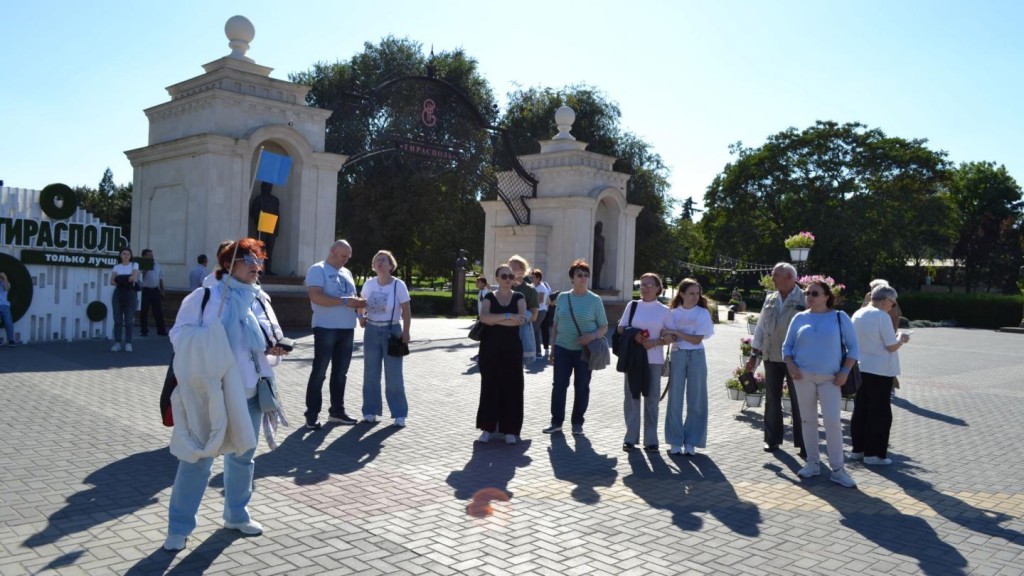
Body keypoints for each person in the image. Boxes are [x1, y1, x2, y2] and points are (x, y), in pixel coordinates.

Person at [163, 238, 290, 551]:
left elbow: (269, 340)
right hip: (213, 392)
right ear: (228, 264)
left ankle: (236, 514)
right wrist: (212, 339)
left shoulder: (260, 299)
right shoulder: (205, 296)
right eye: (248, 260)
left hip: (250, 389)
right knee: (197, 458)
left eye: (257, 260)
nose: (255, 267)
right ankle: (179, 527)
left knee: (243, 457)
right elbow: (178, 336)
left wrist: (274, 349)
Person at [782, 278, 860, 488]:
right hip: (802, 377)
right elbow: (786, 347)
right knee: (807, 420)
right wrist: (791, 365)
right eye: (807, 293)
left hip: (831, 379)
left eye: (814, 293)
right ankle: (812, 463)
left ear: (827, 296)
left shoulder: (839, 317)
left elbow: (853, 348)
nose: (809, 297)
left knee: (833, 422)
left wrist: (845, 371)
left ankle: (837, 469)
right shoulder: (798, 318)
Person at [303, 240, 367, 429]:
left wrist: (359, 309)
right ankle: (312, 413)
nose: (346, 260)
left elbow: (351, 299)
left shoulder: (346, 273)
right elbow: (316, 296)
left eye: (348, 257)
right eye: (343, 255)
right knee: (320, 372)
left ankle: (337, 411)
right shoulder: (318, 269)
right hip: (325, 327)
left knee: (341, 373)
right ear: (333, 250)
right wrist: (345, 301)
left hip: (347, 328)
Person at [545, 259, 608, 436]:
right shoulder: (563, 297)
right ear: (572, 278)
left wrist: (592, 336)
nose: (583, 278)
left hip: (584, 351)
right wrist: (552, 349)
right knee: (559, 385)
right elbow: (556, 325)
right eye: (579, 275)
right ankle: (556, 422)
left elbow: (603, 326)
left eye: (586, 275)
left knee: (581, 386)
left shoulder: (595, 300)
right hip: (563, 348)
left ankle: (577, 423)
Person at [748, 262, 805, 457]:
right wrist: (753, 355)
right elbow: (761, 328)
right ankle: (772, 440)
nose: (772, 279)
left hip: (795, 360)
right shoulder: (770, 298)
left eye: (775, 276)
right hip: (771, 356)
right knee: (772, 400)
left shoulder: (805, 299)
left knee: (800, 402)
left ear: (789, 277)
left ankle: (804, 444)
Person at [851, 284, 910, 466]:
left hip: (861, 367)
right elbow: (891, 345)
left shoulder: (858, 313)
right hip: (881, 370)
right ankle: (874, 454)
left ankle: (858, 450)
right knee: (880, 412)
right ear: (884, 300)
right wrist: (901, 339)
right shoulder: (881, 316)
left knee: (861, 409)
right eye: (893, 304)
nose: (893, 307)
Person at [616, 273, 671, 453]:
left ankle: (651, 440)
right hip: (633, 358)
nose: (645, 287)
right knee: (632, 398)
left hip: (654, 360)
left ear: (658, 288)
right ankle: (630, 438)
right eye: (643, 284)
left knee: (652, 399)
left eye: (650, 284)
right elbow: (620, 328)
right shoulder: (632, 306)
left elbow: (670, 336)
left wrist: (655, 342)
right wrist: (635, 334)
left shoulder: (664, 310)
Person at [662, 277, 715, 456]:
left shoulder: (702, 313)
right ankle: (675, 440)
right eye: (691, 293)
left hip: (697, 356)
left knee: (697, 398)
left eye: (697, 293)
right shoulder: (672, 313)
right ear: (682, 294)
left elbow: (696, 339)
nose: (695, 296)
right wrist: (670, 334)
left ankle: (692, 441)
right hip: (678, 355)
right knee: (675, 398)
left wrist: (676, 332)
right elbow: (666, 335)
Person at [359, 250, 411, 426]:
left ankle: (399, 414)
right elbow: (361, 302)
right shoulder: (369, 284)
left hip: (392, 331)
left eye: (383, 260)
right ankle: (370, 411)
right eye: (377, 260)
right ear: (373, 266)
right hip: (372, 330)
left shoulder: (398, 285)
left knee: (394, 375)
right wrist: (361, 317)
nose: (379, 263)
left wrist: (406, 331)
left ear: (391, 265)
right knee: (371, 374)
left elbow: (406, 309)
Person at [476, 264, 527, 444]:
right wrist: (507, 316)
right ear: (497, 278)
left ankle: (510, 430)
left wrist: (496, 319)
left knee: (512, 387)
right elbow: (484, 318)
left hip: (512, 349)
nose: (507, 279)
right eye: (504, 276)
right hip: (490, 348)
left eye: (510, 276)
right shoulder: (489, 296)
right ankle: (487, 429)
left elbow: (520, 320)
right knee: (490, 386)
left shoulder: (519, 297)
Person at [508, 255, 539, 365]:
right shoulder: (504, 287)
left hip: (520, 333)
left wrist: (514, 316)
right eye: (509, 268)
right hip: (502, 333)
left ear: (523, 270)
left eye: (514, 268)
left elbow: (534, 316)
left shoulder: (529, 290)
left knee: (516, 370)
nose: (511, 271)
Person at [109, 247, 139, 352]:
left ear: (130, 256)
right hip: (118, 293)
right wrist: (124, 280)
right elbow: (112, 281)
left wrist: (120, 279)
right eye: (124, 254)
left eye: (128, 254)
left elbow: (133, 278)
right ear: (120, 255)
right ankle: (117, 342)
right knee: (117, 319)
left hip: (130, 293)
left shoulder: (134, 265)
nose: (126, 256)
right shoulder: (116, 267)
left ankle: (128, 343)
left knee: (129, 320)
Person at [249, 182, 280, 274]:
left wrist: (277, 228)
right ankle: (260, 268)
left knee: (270, 249)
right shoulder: (259, 199)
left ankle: (269, 269)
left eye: (269, 187)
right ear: (262, 188)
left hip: (272, 226)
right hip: (261, 226)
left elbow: (278, 215)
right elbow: (252, 213)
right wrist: (260, 215)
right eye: (266, 187)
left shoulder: (275, 200)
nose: (267, 188)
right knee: (261, 248)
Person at [139, 249, 167, 336]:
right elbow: (140, 277)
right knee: (144, 311)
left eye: (152, 254)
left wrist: (162, 290)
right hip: (145, 290)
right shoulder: (141, 265)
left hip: (155, 290)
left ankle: (161, 330)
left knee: (158, 311)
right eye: (149, 255)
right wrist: (146, 268)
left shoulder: (157, 265)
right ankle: (144, 330)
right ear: (144, 256)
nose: (152, 256)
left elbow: (160, 278)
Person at [531, 269, 552, 359]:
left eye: (533, 277)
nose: (532, 279)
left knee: (533, 330)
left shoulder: (541, 287)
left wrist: (529, 301)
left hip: (540, 311)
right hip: (536, 310)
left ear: (538, 278)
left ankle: (537, 352)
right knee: (534, 330)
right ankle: (536, 352)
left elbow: (540, 301)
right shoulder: (534, 286)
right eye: (531, 277)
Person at [471, 276, 490, 363]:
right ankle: (481, 354)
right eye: (477, 282)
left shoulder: (485, 292)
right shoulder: (481, 292)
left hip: (484, 318)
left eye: (478, 282)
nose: (477, 284)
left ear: (483, 283)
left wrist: (483, 317)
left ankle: (481, 355)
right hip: (481, 317)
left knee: (483, 337)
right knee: (482, 337)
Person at [0, 272, 15, 346]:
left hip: (5, 305)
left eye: (1, 277)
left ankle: (11, 340)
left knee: (8, 322)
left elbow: (6, 288)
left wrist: (4, 278)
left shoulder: (6, 283)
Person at [592, 221, 605, 289]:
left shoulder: (602, 238)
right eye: (598, 228)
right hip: (594, 257)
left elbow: (603, 249)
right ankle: (593, 284)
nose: (600, 229)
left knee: (598, 272)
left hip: (600, 258)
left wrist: (603, 258)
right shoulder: (593, 237)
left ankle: (597, 284)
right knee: (594, 271)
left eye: (601, 228)